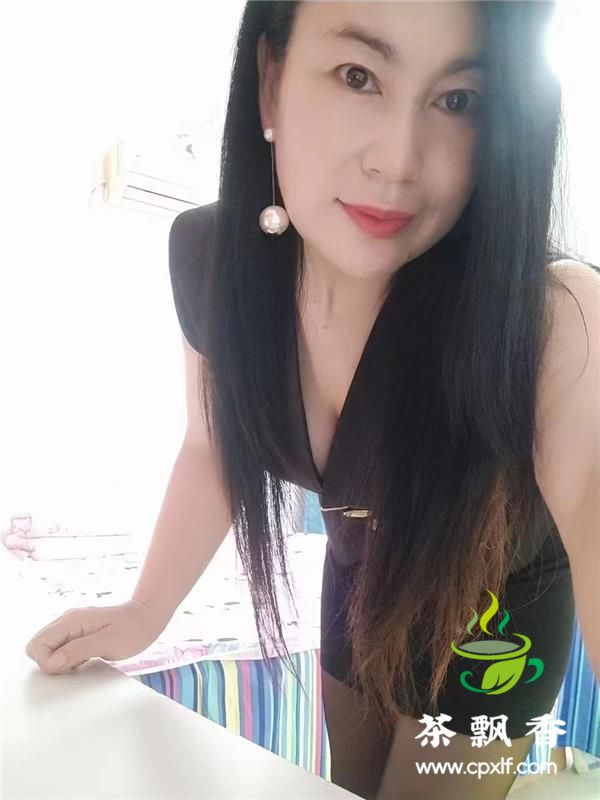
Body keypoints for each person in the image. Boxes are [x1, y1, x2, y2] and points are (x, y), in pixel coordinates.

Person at [25, 3, 600, 799]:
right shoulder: (214, 264)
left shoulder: (554, 320)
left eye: (458, 99)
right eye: (358, 76)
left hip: (497, 615)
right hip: (359, 581)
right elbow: (212, 447)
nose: (398, 160)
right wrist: (144, 611)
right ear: (272, 82)